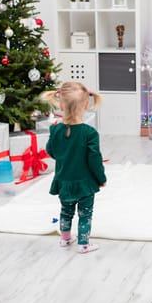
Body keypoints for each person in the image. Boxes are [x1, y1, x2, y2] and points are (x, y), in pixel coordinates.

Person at [41, 82, 107, 254]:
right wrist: (101, 178)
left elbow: (51, 151)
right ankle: (83, 244)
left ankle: (65, 239)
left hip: (63, 180)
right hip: (85, 183)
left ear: (61, 105)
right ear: (86, 104)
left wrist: (64, 157)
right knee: (85, 214)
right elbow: (94, 159)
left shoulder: (55, 129)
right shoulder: (89, 133)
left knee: (66, 210)